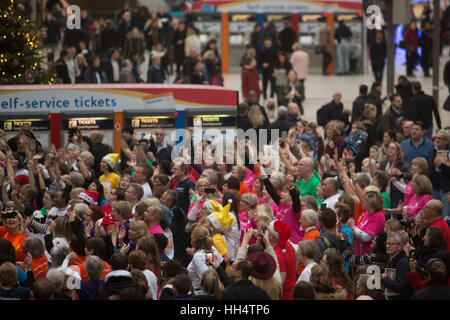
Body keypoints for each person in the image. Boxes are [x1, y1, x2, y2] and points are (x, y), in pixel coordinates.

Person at [348, 188, 386, 256]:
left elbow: (365, 237)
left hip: (369, 256)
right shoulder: (367, 214)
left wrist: (353, 227)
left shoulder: (378, 217)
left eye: (365, 199)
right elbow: (358, 232)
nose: (362, 201)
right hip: (360, 254)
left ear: (372, 202)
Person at [268, 220, 297, 300]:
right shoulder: (288, 244)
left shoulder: (277, 254)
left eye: (267, 230)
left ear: (271, 236)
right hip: (292, 290)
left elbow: (281, 280)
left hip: (284, 295)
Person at [381, 232, 411, 300]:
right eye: (387, 243)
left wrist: (385, 279)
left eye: (391, 244)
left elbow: (401, 287)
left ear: (400, 246)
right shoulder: (393, 258)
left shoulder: (402, 262)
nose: (387, 246)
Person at [428, 130, 450, 217]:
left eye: (440, 138)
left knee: (446, 214)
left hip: (446, 189)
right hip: (434, 188)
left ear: (447, 141)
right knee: (434, 214)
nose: (437, 140)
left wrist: (441, 166)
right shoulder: (433, 151)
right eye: (436, 138)